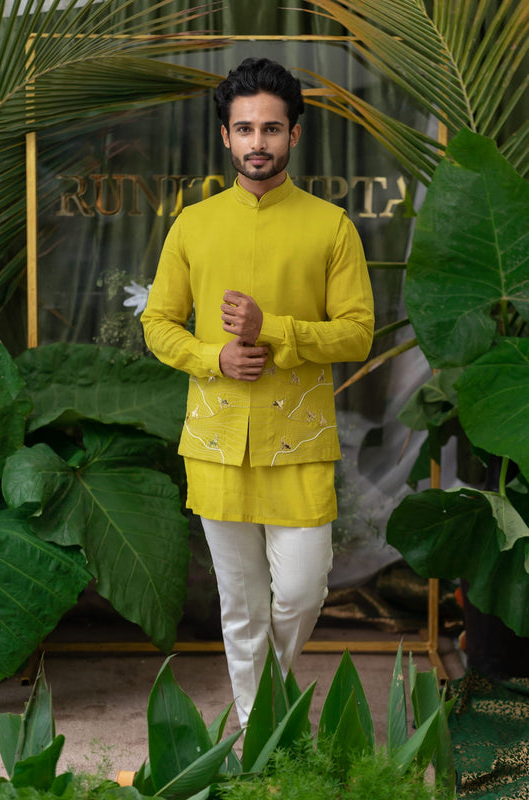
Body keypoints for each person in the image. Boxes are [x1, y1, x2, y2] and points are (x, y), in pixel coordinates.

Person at [141, 57, 374, 726]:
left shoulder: (330, 228)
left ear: (293, 135)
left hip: (297, 441)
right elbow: (157, 325)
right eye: (244, 129)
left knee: (300, 591)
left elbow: (357, 334)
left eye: (271, 128)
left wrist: (274, 331)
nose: (257, 143)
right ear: (225, 137)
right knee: (240, 602)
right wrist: (213, 355)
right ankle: (257, 726)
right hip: (216, 441)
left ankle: (266, 700)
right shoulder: (192, 225)